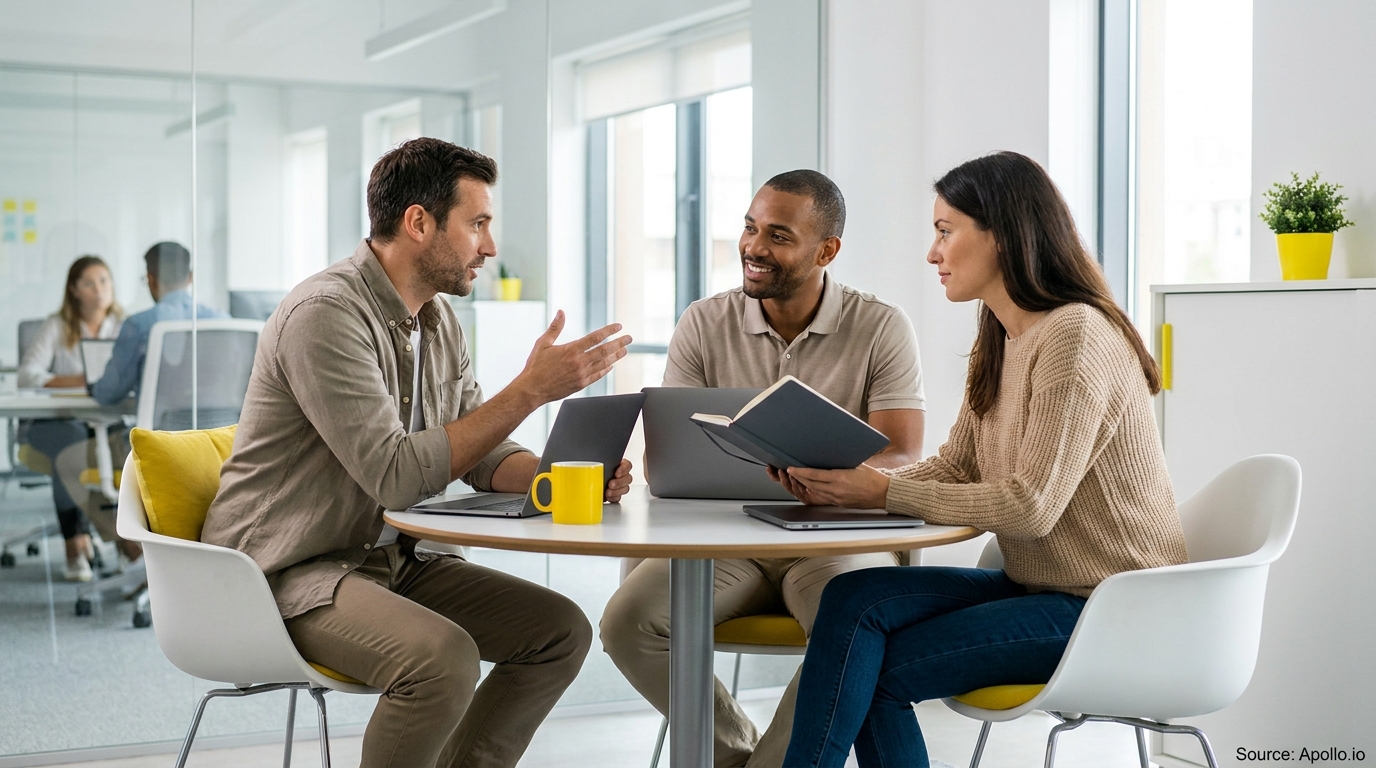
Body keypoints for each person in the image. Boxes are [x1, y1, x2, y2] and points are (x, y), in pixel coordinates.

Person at [201, 137, 633, 768]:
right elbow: (396, 476)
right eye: (477, 224)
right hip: (286, 570)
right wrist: (530, 390)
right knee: (442, 661)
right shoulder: (325, 315)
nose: (489, 246)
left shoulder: (437, 320)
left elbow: (479, 448)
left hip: (395, 559)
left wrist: (559, 476)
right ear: (418, 222)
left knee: (559, 632)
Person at [776, 152, 1189, 768]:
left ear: (1003, 235)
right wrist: (845, 481)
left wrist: (879, 492)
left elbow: (1032, 506)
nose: (931, 252)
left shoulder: (1075, 336)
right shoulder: (1001, 336)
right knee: (850, 597)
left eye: (945, 231)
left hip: (1113, 609)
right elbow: (955, 465)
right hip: (1040, 586)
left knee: (875, 671)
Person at [601, 169, 926, 768]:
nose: (753, 247)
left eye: (778, 235)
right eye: (750, 228)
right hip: (725, 543)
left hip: (834, 539)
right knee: (627, 624)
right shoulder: (703, 321)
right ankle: (737, 755)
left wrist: (839, 479)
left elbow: (903, 453)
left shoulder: (880, 325)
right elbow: (668, 457)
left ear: (826, 250)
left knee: (854, 628)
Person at [52, 241, 224, 564]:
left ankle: (134, 546)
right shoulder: (224, 321)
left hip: (160, 450)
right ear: (189, 278)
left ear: (151, 279)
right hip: (215, 451)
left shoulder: (139, 325)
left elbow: (108, 393)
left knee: (67, 462)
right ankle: (148, 553)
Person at [18, 255, 124, 581]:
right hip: (53, 423)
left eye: (104, 281)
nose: (99, 289)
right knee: (71, 445)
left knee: (127, 445)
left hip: (103, 424)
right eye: (89, 283)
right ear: (74, 290)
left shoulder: (124, 326)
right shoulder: (57, 326)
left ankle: (125, 541)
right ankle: (75, 543)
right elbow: (27, 376)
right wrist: (80, 380)